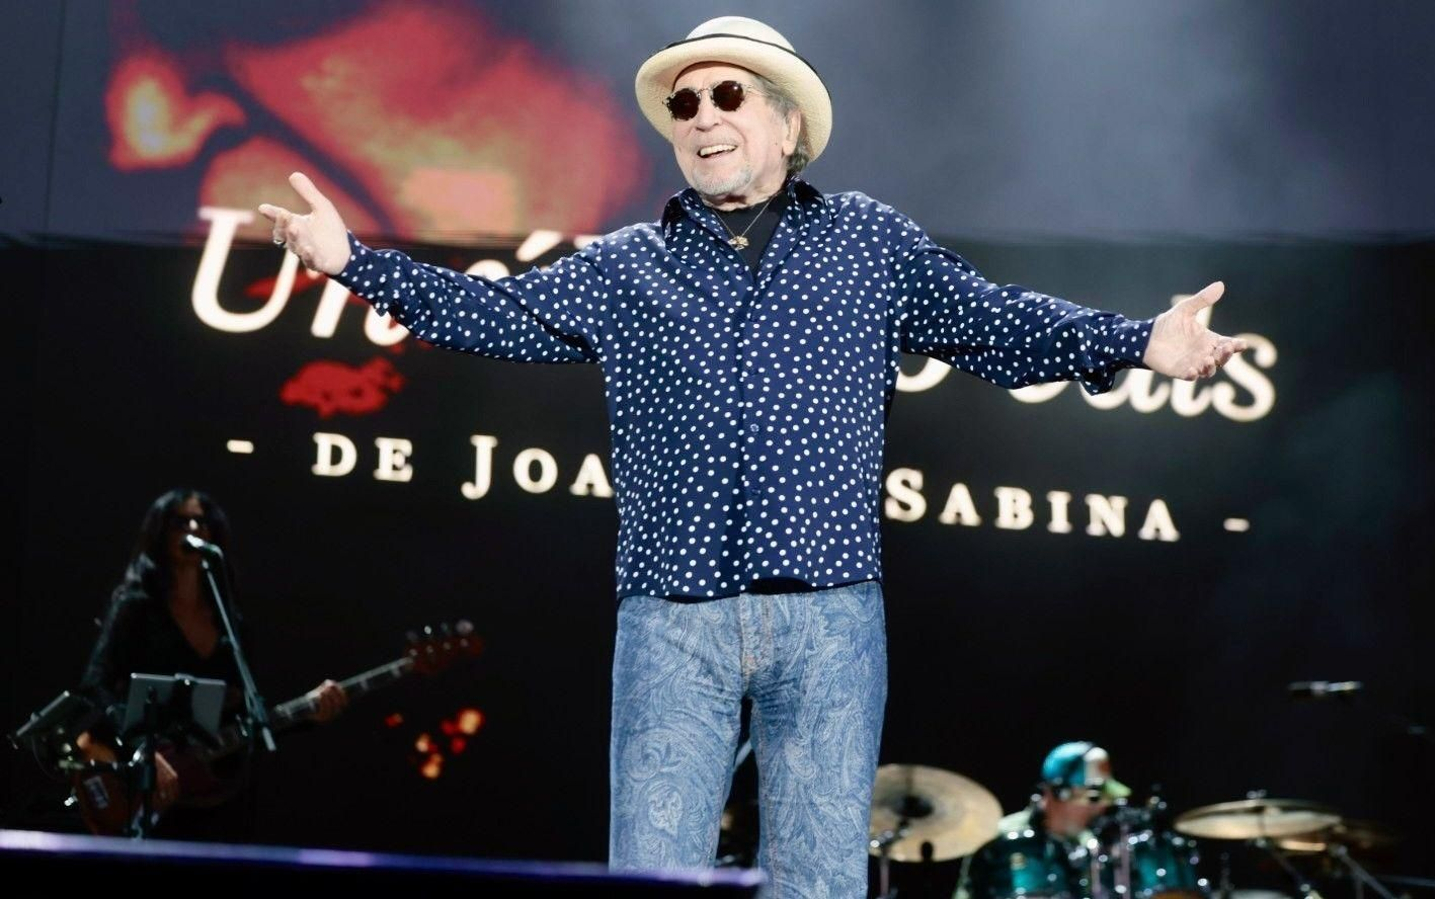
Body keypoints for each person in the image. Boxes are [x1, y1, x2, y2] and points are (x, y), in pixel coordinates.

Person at [257, 16, 1247, 895]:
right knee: (654, 874)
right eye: (683, 103)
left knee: (817, 880)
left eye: (725, 94)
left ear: (786, 124)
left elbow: (997, 323)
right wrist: (355, 262)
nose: (699, 116)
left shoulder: (868, 242)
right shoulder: (623, 265)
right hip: (669, 618)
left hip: (827, 612)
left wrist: (1140, 340)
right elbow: (497, 313)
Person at [74, 488, 348, 840]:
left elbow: (247, 718)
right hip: (140, 776)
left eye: (202, 522)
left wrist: (309, 714)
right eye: (180, 522)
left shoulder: (229, 622)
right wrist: (140, 750)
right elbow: (94, 687)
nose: (193, 529)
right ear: (160, 532)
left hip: (206, 795)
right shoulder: (137, 608)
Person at [953, 742, 1131, 899]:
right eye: (1092, 798)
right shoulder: (999, 838)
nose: (1100, 807)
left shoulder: (1090, 845)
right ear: (1058, 793)